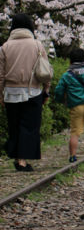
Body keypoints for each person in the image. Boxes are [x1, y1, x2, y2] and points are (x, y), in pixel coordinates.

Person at [0, 14, 51, 171]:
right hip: (32, 91)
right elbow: (45, 70)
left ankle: (17, 156)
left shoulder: (5, 47)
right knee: (28, 126)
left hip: (11, 92)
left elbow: (0, 74)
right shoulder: (37, 45)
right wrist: (46, 89)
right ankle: (22, 161)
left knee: (14, 125)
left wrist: (0, 94)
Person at [53, 48, 84, 162]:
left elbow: (58, 91)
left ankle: (72, 156)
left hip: (76, 107)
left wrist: (60, 100)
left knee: (75, 132)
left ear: (70, 61)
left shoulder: (66, 75)